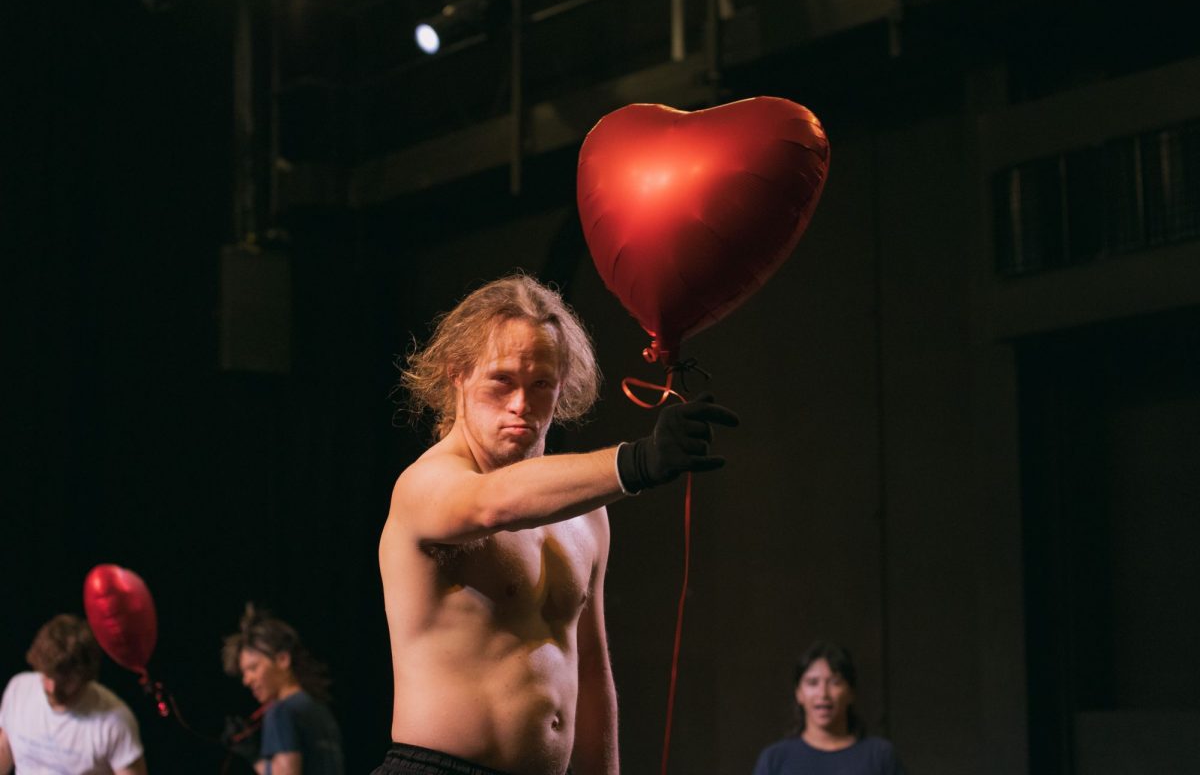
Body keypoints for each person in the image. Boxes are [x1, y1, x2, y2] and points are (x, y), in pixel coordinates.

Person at [376, 274, 739, 775]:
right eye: (502, 381)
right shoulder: (424, 485)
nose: (521, 404)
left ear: (561, 386)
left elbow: (589, 669)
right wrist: (638, 461)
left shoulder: (585, 512)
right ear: (458, 375)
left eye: (541, 384)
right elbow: (492, 504)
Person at [0, 614, 148, 775]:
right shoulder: (19, 690)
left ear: (84, 677)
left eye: (62, 680)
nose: (51, 687)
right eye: (47, 675)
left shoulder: (114, 721)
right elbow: (5, 748)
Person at [222, 605, 345, 775]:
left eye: (253, 668)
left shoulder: (280, 711)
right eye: (244, 673)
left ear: (282, 659)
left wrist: (253, 757)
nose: (246, 680)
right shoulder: (318, 706)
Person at [752, 641, 905, 775]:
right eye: (813, 683)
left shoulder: (880, 755)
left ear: (851, 693)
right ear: (799, 693)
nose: (823, 694)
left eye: (834, 682)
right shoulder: (775, 759)